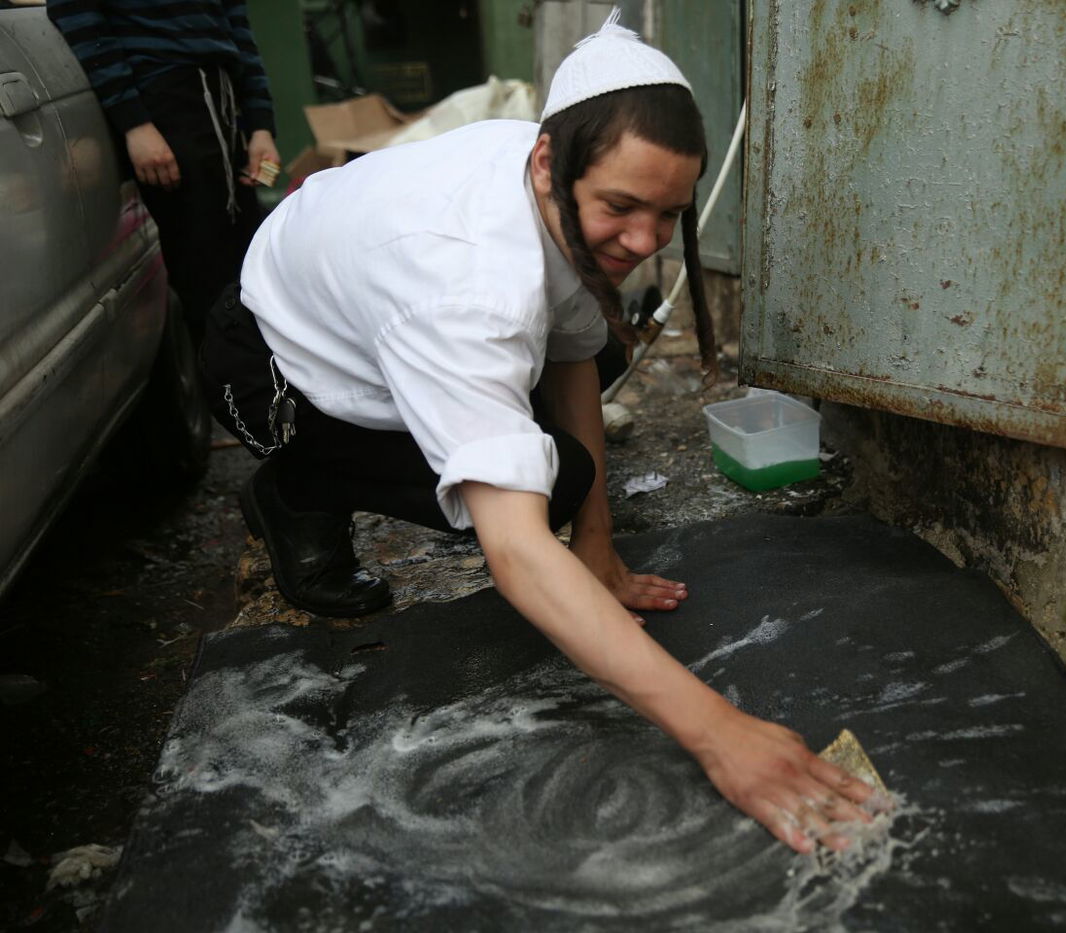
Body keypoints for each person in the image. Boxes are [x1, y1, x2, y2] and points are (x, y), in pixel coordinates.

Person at [201, 11, 876, 854]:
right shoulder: (468, 281)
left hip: (365, 306)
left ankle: (353, 464)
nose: (644, 240)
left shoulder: (554, 165)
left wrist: (597, 550)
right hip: (265, 367)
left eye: (669, 213)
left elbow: (573, 349)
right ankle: (294, 490)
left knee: (576, 425)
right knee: (539, 481)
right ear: (551, 161)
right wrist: (720, 732)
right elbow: (514, 552)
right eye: (622, 208)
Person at [47, 0, 280, 345]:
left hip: (223, 98)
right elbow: (78, 14)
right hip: (163, 99)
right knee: (208, 281)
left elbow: (237, 25)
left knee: (249, 263)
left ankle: (261, 386)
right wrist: (135, 122)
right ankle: (231, 393)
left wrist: (260, 125)